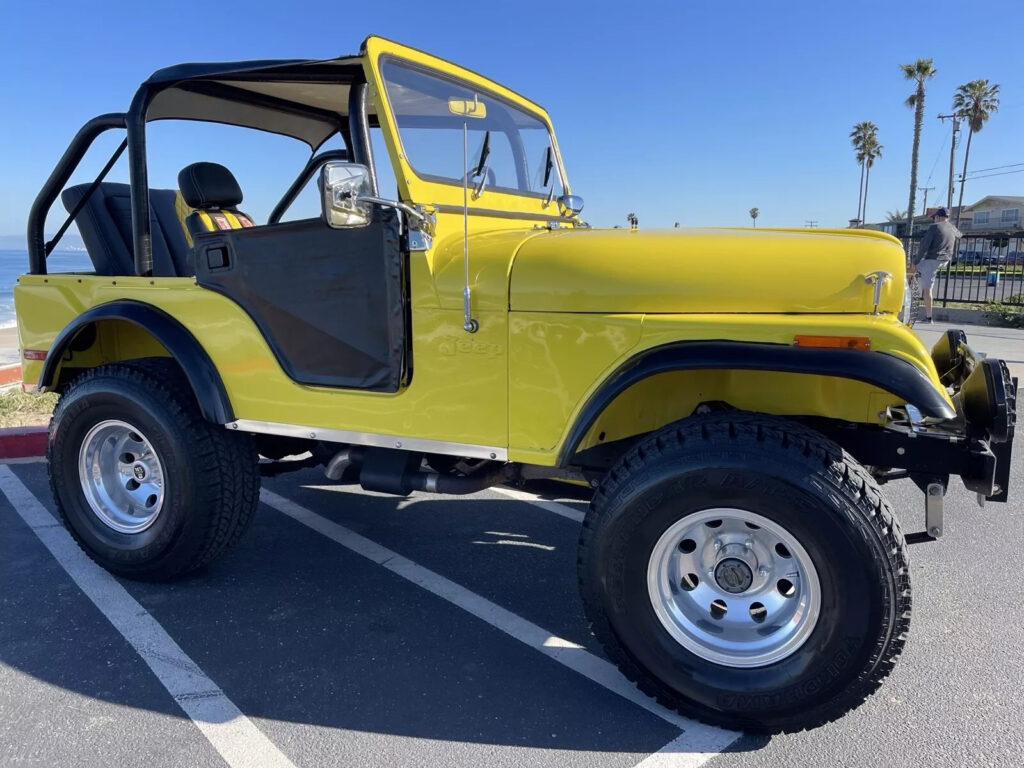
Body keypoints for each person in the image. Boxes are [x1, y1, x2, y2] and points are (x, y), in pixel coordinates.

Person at [909, 207, 961, 323]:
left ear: (938, 217)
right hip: (945, 260)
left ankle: (928, 317)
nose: (934, 220)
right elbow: (960, 235)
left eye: (934, 218)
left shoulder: (934, 227)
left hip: (932, 260)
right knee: (915, 271)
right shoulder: (952, 228)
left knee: (926, 289)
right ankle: (911, 281)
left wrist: (915, 262)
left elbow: (924, 247)